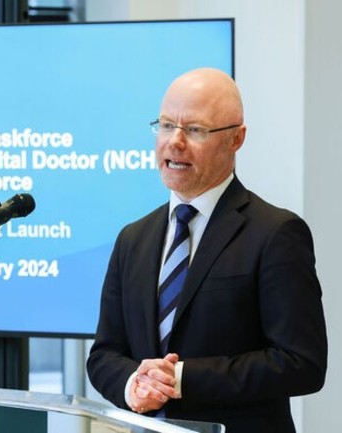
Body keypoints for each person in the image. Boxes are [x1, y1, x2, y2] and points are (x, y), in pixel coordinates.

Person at [86, 67, 327, 433]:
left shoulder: (276, 233)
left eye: (194, 130)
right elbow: (104, 354)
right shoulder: (132, 238)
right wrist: (133, 384)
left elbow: (301, 363)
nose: (175, 142)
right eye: (166, 125)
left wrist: (180, 378)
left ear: (236, 139)